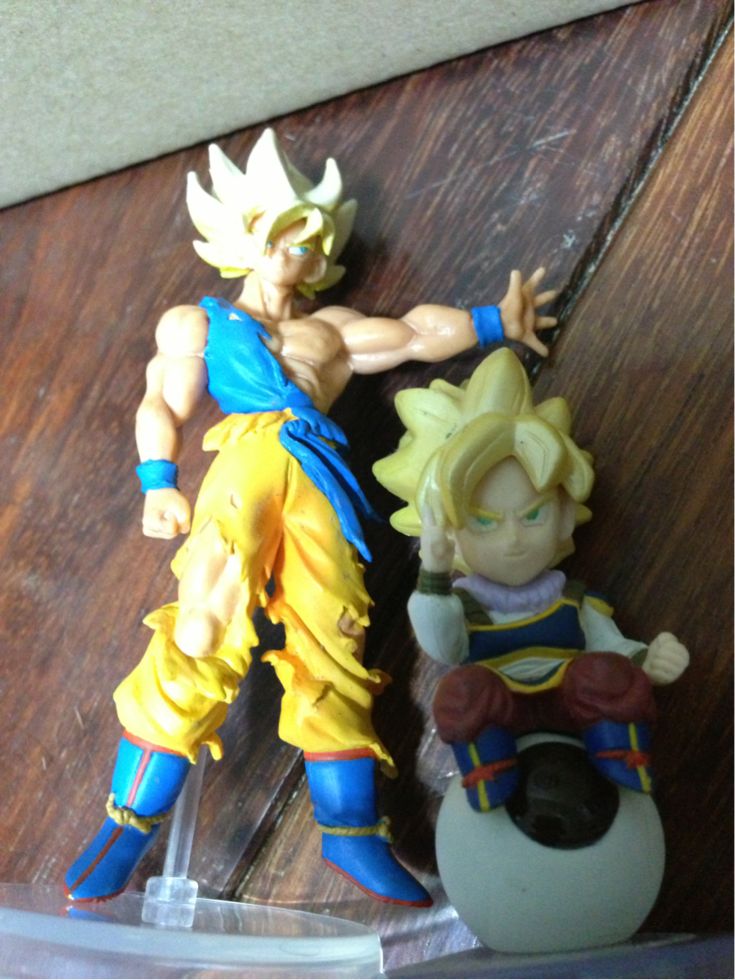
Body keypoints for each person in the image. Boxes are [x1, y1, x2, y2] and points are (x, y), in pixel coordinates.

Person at [65, 130, 556, 905]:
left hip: (323, 480)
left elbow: (415, 334)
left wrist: (494, 322)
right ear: (246, 236)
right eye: (281, 235)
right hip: (247, 463)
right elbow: (161, 401)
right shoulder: (199, 323)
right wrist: (158, 481)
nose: (294, 253)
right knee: (203, 624)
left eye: (308, 242)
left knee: (337, 638)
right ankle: (126, 825)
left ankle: (350, 832)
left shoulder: (329, 331)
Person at [373, 348, 689, 813]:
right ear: (450, 534)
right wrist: (434, 574)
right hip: (500, 713)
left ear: (565, 517)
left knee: (605, 674)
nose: (513, 539)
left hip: (574, 704)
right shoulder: (464, 605)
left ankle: (622, 761)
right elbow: (443, 648)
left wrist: (647, 660)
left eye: (533, 515)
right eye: (484, 522)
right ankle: (490, 777)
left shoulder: (572, 601)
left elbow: (611, 647)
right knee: (462, 691)